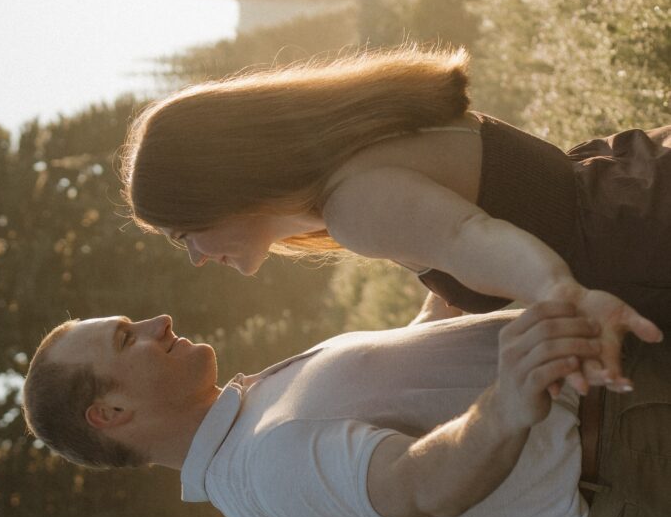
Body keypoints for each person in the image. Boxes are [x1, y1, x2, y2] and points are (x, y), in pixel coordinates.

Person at [120, 45, 670, 395]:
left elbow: (471, 239)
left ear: (216, 190)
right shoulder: (356, 146)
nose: (194, 254)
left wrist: (560, 294)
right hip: (631, 183)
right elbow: (457, 234)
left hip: (639, 244)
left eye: (183, 233)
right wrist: (410, 344)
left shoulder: (352, 207)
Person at [22, 300, 671, 517]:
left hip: (627, 398)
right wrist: (505, 402)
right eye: (124, 337)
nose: (157, 322)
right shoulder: (263, 471)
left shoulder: (252, 422)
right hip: (635, 443)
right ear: (110, 415)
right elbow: (420, 484)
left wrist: (433, 291)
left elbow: (418, 388)